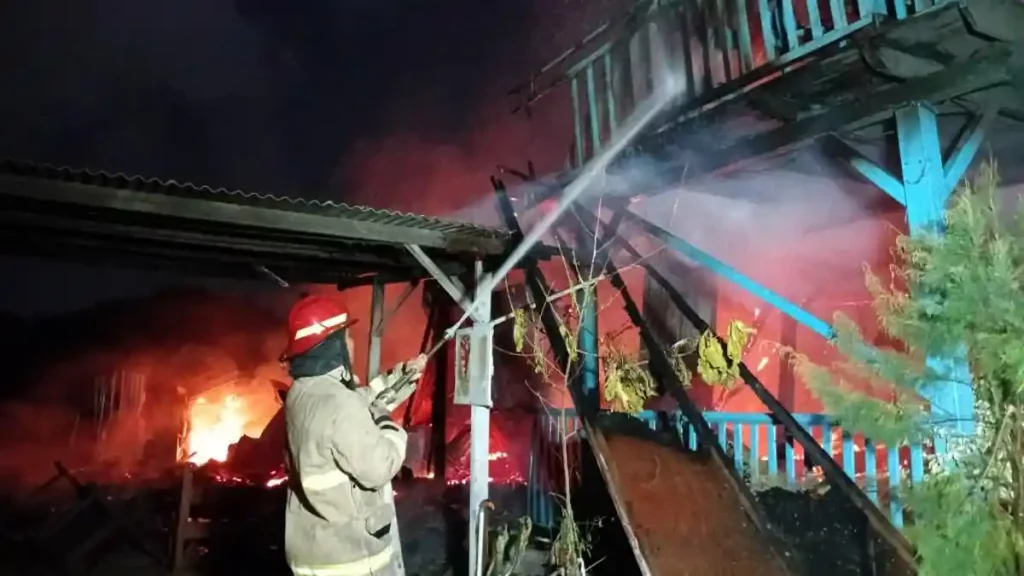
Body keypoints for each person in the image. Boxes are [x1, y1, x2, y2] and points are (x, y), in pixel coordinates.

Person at [280, 293, 427, 576]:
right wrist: (389, 424)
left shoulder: (303, 393)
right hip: (350, 560)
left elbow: (360, 401)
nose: (352, 343)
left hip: (314, 550)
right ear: (333, 346)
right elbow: (381, 465)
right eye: (346, 336)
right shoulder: (338, 403)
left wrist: (401, 376)